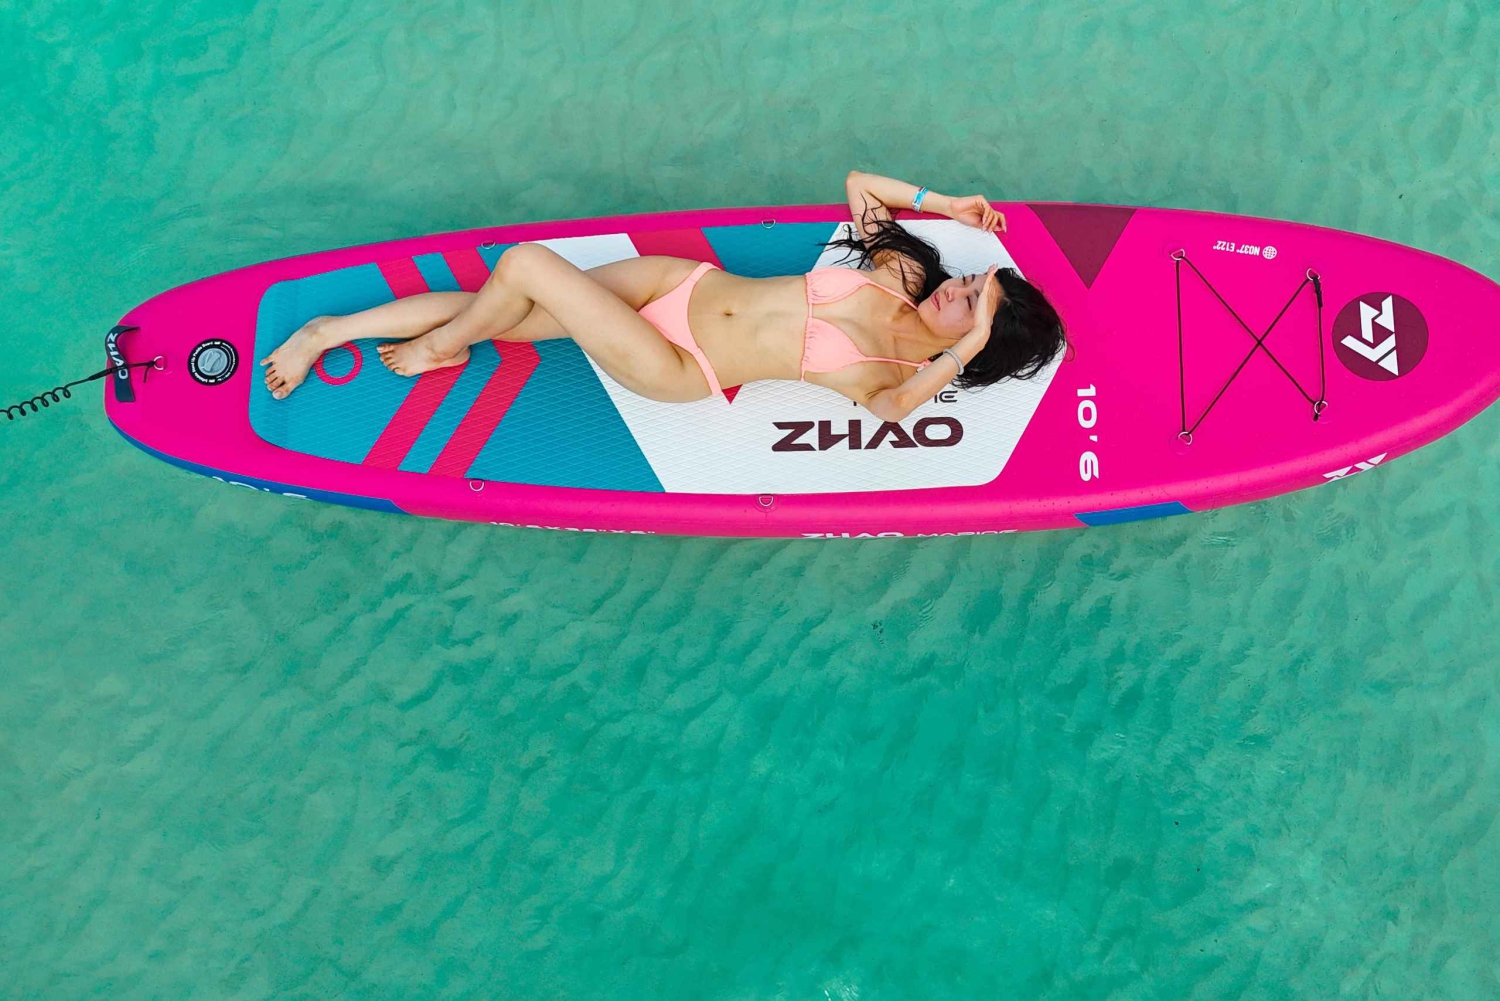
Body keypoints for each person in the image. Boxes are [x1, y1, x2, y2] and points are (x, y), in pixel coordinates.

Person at [260, 171, 1066, 421]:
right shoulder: (905, 275)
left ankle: (441, 346)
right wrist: (946, 205)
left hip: (678, 362)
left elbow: (893, 413)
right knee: (506, 302)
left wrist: (968, 343)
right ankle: (328, 330)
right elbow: (861, 185)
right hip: (679, 283)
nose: (953, 289)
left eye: (968, 302)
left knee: (526, 267)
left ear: (977, 340)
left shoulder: (895, 375)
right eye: (968, 280)